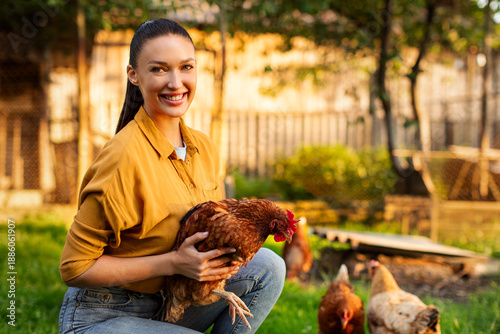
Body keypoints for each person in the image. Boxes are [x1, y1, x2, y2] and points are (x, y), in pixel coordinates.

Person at [58, 18, 285, 334]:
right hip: (104, 312)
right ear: (133, 75)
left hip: (170, 300)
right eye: (159, 69)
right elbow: (73, 268)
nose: (176, 82)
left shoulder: (203, 148)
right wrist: (174, 263)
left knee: (270, 266)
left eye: (186, 67)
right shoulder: (122, 157)